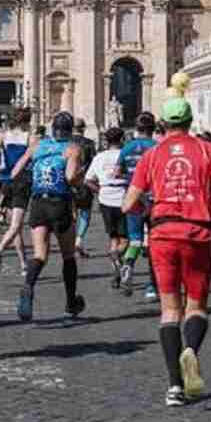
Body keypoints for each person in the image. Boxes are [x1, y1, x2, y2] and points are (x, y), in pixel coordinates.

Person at [122, 86, 211, 406]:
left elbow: (128, 203)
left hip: (163, 234)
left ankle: (174, 386)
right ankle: (191, 350)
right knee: (196, 306)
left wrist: (148, 211)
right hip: (199, 233)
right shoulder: (206, 149)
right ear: (189, 119)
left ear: (164, 122)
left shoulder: (152, 155)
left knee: (169, 310)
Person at [9, 111, 87, 321]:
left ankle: (28, 286)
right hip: (59, 202)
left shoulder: (38, 146)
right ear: (70, 130)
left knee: (39, 255)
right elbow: (70, 177)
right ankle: (71, 302)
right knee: (68, 255)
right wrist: (82, 174)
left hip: (38, 203)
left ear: (53, 128)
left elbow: (15, 172)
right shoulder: (73, 148)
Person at [116, 111, 159, 298]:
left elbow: (117, 172)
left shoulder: (127, 148)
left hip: (132, 198)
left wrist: (131, 178)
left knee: (134, 239)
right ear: (153, 128)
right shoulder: (157, 147)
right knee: (155, 243)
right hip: (153, 199)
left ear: (137, 128)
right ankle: (152, 286)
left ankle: (128, 264)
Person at [0, 108, 33, 276]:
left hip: (6, 181)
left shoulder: (3, 135)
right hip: (22, 181)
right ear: (26, 122)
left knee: (16, 228)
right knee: (16, 225)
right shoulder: (29, 137)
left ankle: (23, 264)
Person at [84, 127, 129, 289]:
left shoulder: (99, 157)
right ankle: (117, 256)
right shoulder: (125, 155)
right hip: (123, 198)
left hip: (105, 199)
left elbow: (88, 180)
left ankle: (116, 274)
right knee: (125, 240)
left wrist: (100, 190)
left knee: (113, 238)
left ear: (106, 141)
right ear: (122, 139)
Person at [70, 118, 97, 258]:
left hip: (69, 182)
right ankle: (79, 240)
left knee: (72, 213)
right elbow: (93, 164)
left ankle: (71, 241)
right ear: (84, 128)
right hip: (85, 182)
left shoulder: (67, 143)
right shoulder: (90, 144)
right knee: (85, 212)